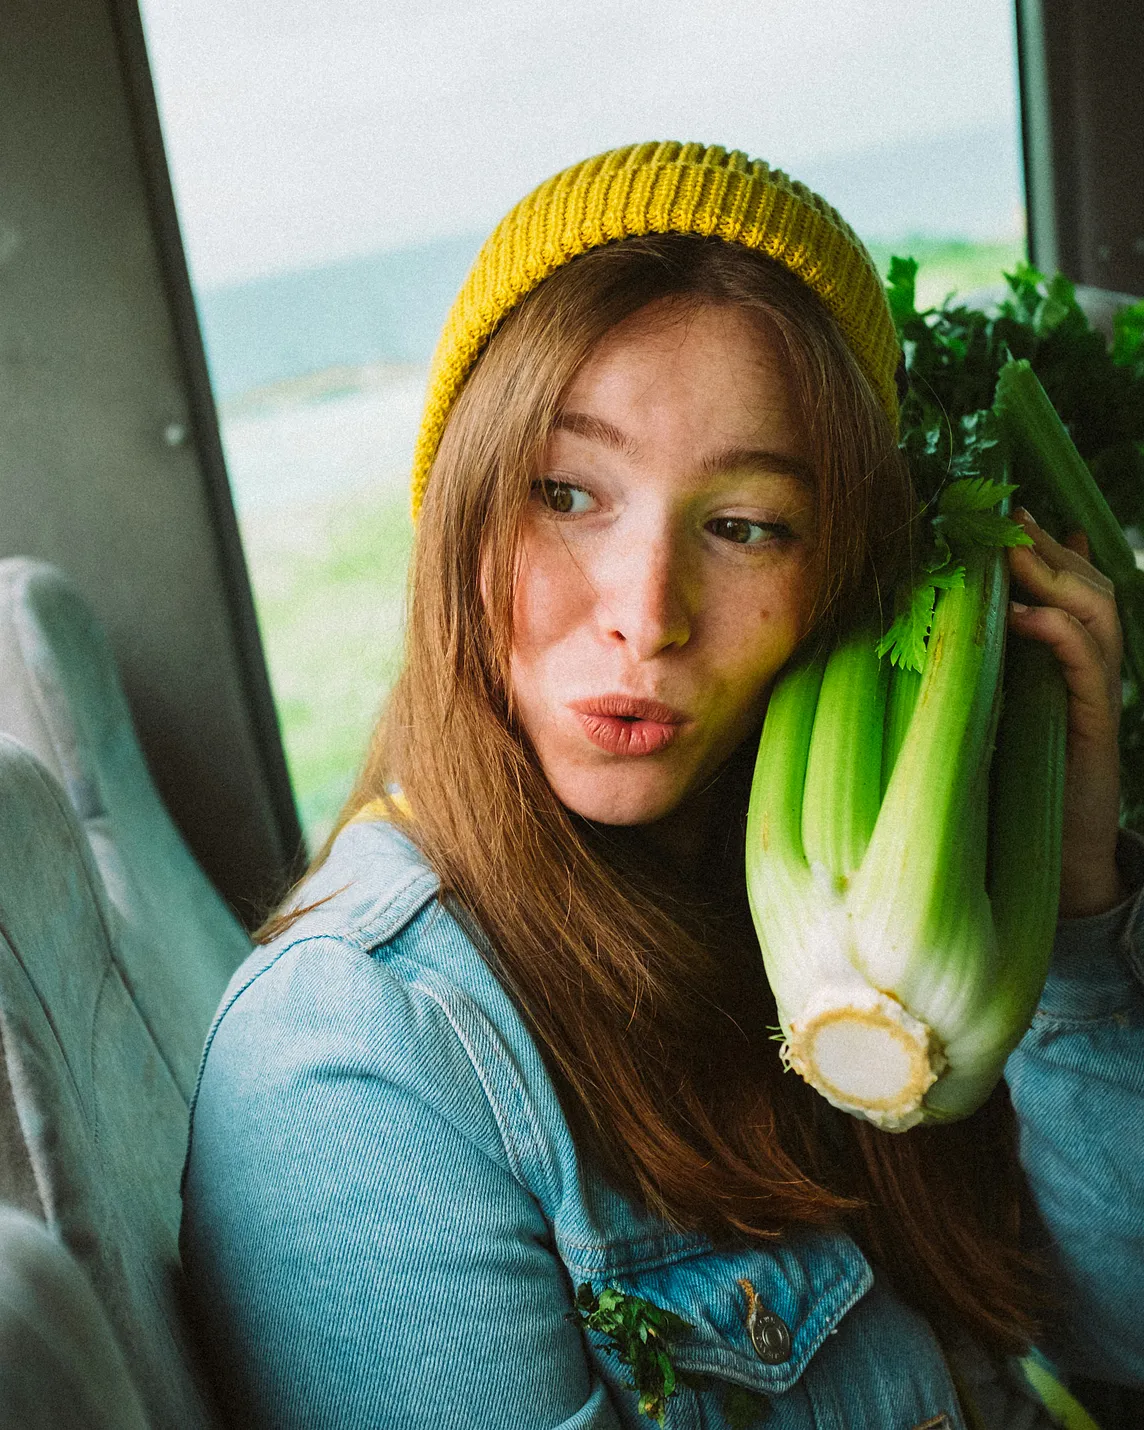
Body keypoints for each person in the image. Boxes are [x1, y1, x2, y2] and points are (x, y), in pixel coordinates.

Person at [180, 143, 1144, 1429]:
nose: (646, 615)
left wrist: (1078, 916)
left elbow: (1119, 1332)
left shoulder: (795, 900)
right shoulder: (360, 1060)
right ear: (457, 508)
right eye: (565, 493)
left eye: (745, 523)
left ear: (841, 573)